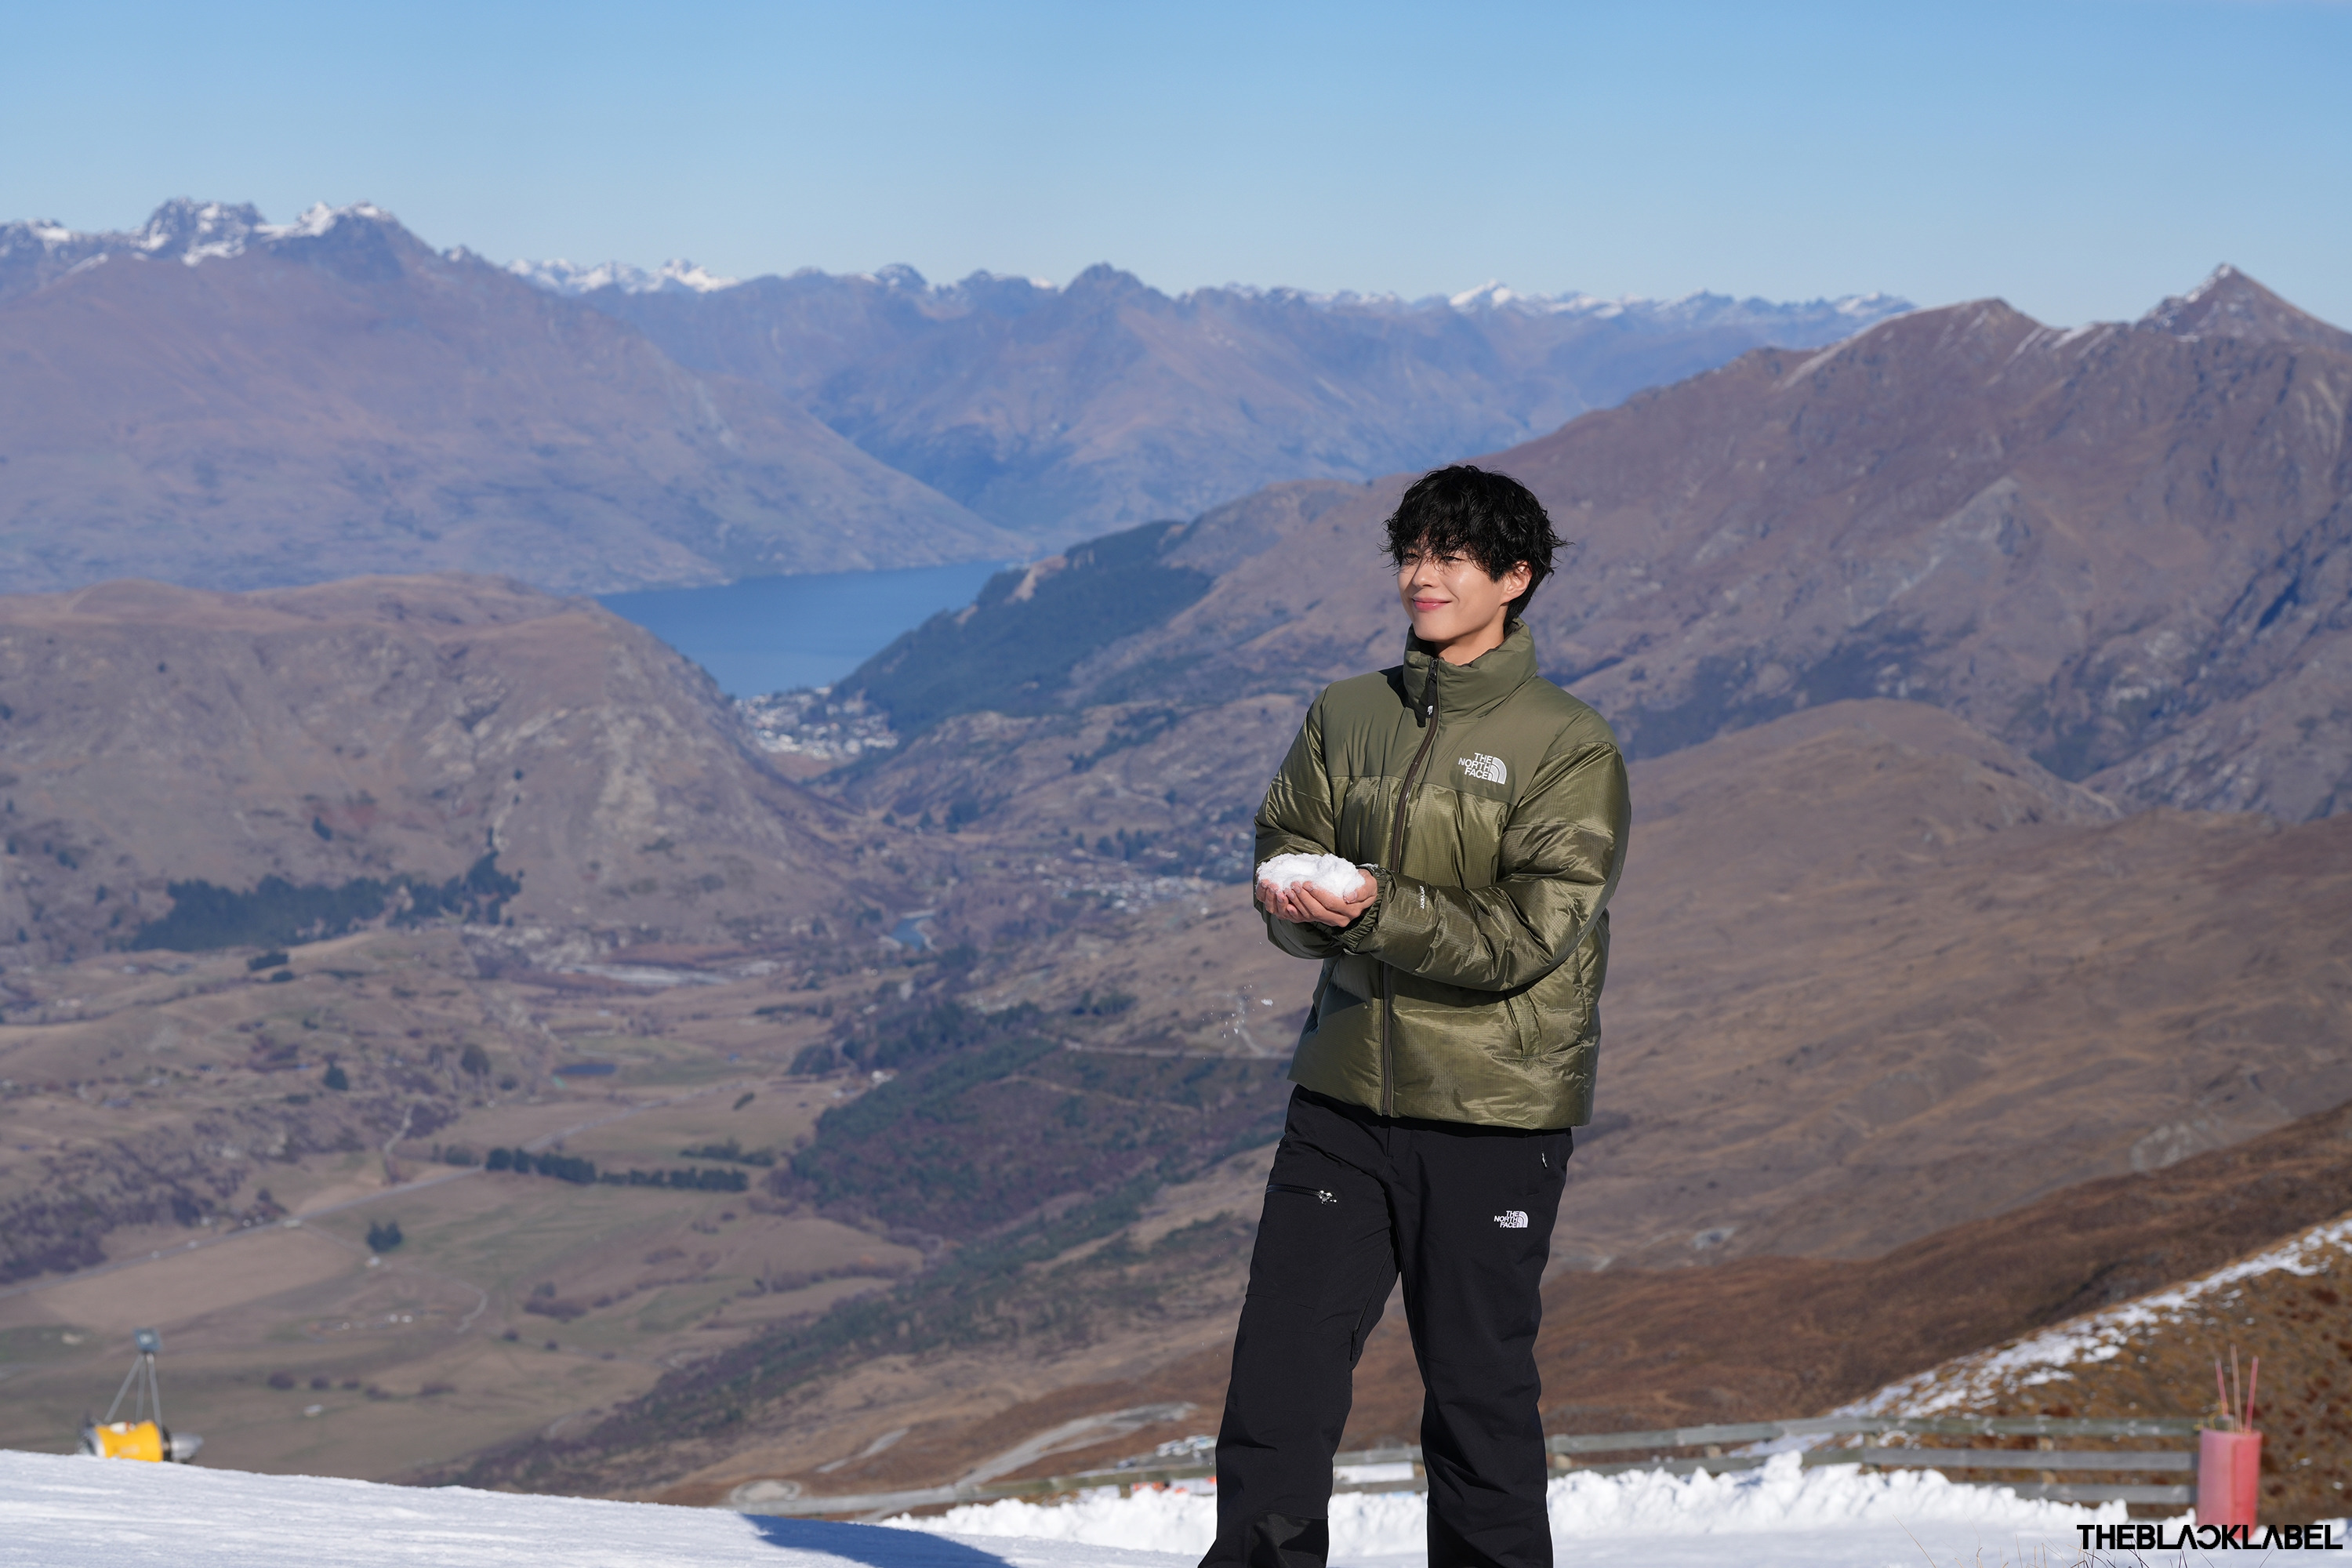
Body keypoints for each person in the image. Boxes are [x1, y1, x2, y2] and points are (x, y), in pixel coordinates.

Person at [1200, 465, 1630, 1568]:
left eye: (1453, 556)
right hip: (1342, 1100)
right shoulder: (1348, 712)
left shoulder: (1568, 744)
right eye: (1412, 553)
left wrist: (1372, 908)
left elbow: (1528, 936)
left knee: (1478, 1401)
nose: (1423, 576)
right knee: (1278, 1386)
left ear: (1516, 577)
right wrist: (1301, 905)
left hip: (1493, 1115)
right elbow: (1287, 845)